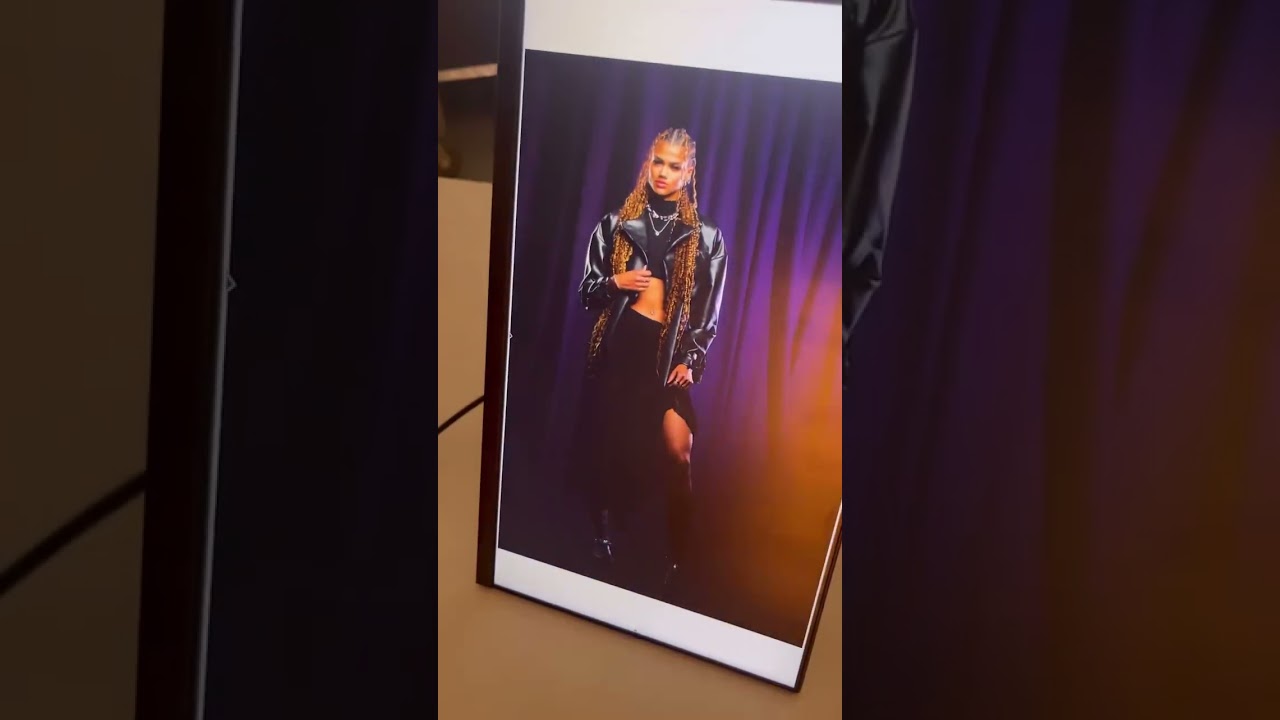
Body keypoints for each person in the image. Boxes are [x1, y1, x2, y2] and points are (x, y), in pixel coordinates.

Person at [577, 128, 728, 591]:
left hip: (667, 358)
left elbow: (707, 309)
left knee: (678, 454)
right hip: (624, 347)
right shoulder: (615, 223)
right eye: (658, 162)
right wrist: (616, 283)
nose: (664, 172)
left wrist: (694, 358)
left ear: (689, 172)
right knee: (609, 448)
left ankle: (678, 554)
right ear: (648, 163)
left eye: (674, 165)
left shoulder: (706, 237)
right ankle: (601, 535)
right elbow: (587, 293)